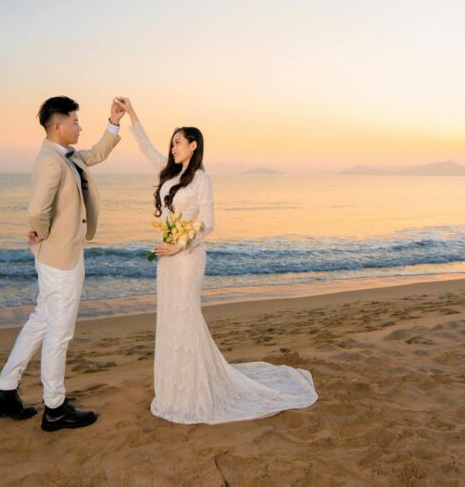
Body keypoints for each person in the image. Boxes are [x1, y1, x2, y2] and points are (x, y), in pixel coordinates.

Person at [117, 97, 318, 424]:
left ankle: (194, 394)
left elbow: (208, 224)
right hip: (166, 261)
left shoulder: (202, 180)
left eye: (178, 142)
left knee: (186, 321)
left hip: (187, 259)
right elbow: (146, 147)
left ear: (193, 146)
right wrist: (132, 115)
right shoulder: (168, 173)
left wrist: (180, 245)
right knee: (170, 322)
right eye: (172, 143)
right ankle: (173, 391)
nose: (172, 147)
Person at [0, 95, 125, 432]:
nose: (79, 127)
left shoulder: (68, 155)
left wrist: (114, 122)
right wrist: (44, 238)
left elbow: (97, 153)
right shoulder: (50, 162)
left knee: (42, 321)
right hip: (60, 259)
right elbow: (37, 210)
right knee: (59, 333)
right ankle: (56, 408)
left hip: (57, 257)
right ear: (58, 125)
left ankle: (4, 391)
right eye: (75, 122)